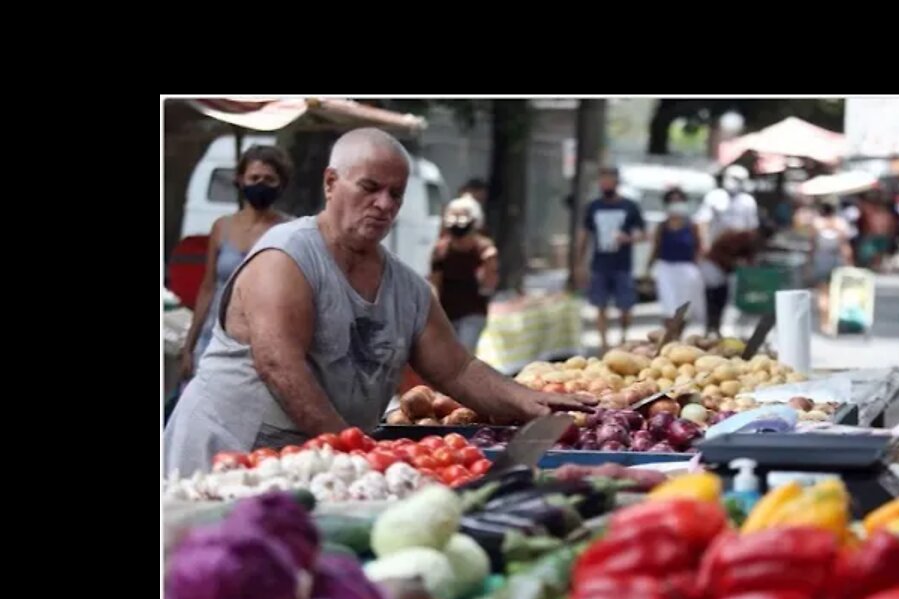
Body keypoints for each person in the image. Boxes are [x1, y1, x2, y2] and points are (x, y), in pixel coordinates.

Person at [164, 128, 592, 475]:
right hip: (225, 455)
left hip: (313, 464)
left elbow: (458, 369)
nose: (384, 204)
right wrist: (361, 454)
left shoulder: (406, 288)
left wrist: (527, 401)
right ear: (331, 183)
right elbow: (280, 365)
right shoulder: (287, 256)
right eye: (370, 187)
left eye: (396, 194)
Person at [179, 145, 294, 382]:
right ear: (240, 180)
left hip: (256, 346)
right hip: (211, 339)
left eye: (269, 179)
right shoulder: (222, 227)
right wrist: (189, 346)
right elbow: (208, 287)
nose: (260, 184)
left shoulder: (290, 231)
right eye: (254, 178)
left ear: (281, 184)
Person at [576, 167, 646, 350]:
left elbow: (643, 234)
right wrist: (579, 263)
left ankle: (623, 337)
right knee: (600, 305)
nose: (605, 183)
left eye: (609, 179)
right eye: (602, 179)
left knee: (626, 306)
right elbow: (585, 234)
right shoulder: (594, 207)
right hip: (600, 264)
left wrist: (628, 239)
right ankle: (604, 344)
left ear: (616, 182)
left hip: (623, 264)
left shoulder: (630, 206)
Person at [695, 165, 759, 337]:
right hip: (714, 252)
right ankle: (710, 326)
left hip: (735, 252)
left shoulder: (747, 201)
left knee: (731, 292)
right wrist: (705, 246)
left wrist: (748, 255)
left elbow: (752, 230)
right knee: (711, 290)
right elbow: (702, 222)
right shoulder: (714, 197)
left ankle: (726, 327)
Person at [431, 196, 498, 353]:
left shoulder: (484, 249)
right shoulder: (441, 250)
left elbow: (488, 287)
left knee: (464, 352)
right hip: (447, 313)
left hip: (473, 311)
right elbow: (435, 283)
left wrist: (490, 265)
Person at [645, 188, 706, 322]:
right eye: (672, 201)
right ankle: (669, 336)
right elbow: (655, 248)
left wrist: (699, 269)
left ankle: (679, 335)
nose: (676, 204)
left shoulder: (692, 225)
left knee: (684, 308)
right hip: (666, 269)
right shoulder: (662, 226)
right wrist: (648, 269)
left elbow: (700, 248)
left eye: (679, 200)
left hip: (687, 269)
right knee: (668, 307)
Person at [808, 202, 854, 326]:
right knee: (836, 290)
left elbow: (812, 245)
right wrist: (849, 263)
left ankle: (824, 322)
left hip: (821, 258)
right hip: (836, 258)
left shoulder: (816, 223)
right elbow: (845, 245)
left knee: (822, 292)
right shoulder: (841, 223)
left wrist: (810, 262)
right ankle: (833, 321)